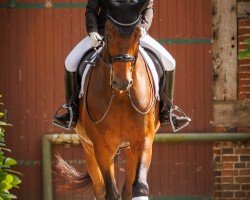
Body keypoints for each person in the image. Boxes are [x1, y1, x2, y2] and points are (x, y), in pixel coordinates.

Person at [53, 0, 191, 131]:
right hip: (105, 34)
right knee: (70, 63)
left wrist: (143, 27)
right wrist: (92, 31)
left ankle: (167, 111)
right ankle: (72, 111)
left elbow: (148, 7)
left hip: (135, 34)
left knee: (170, 62)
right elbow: (91, 9)